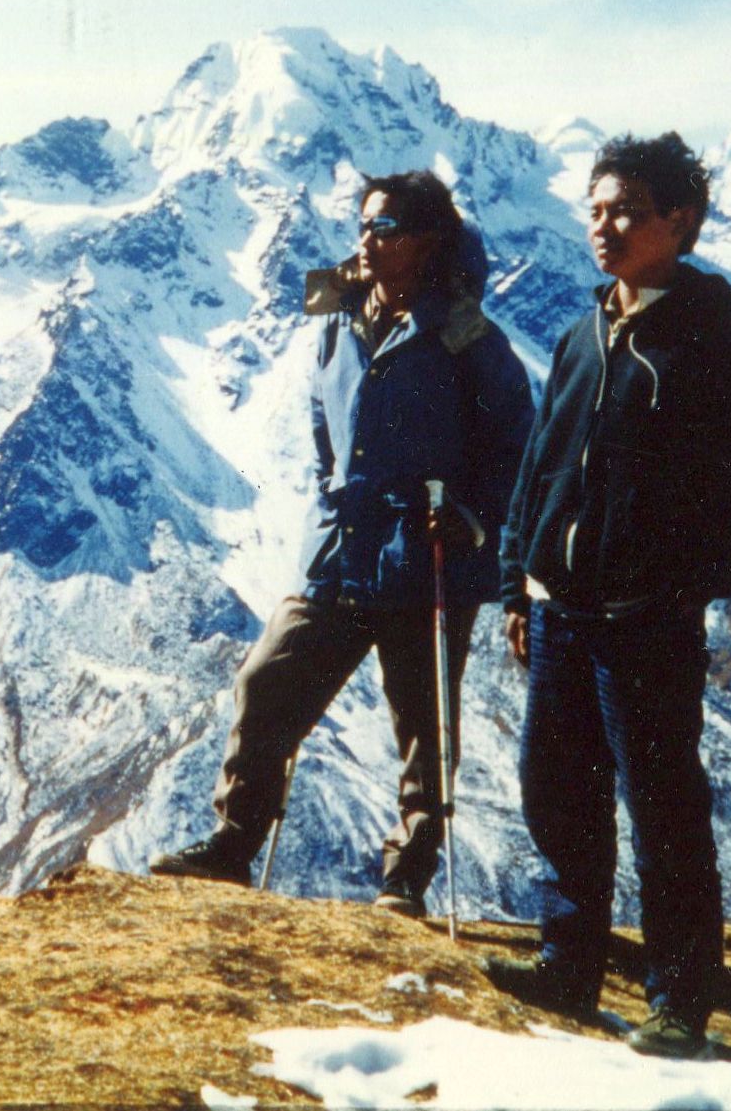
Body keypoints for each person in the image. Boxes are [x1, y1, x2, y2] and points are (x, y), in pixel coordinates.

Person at [150, 171, 533, 918]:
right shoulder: (337, 318)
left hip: (426, 557)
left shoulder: (462, 334)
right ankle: (232, 840)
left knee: (424, 726)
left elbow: (517, 445)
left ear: (426, 241)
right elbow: (328, 429)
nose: (366, 238)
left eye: (385, 227)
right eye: (364, 224)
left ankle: (406, 877)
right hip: (342, 548)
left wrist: (472, 518)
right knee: (266, 683)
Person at [484, 133, 731, 1060]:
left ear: (678, 223)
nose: (603, 227)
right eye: (596, 208)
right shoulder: (584, 333)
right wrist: (517, 585)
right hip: (562, 609)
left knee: (661, 809)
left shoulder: (714, 346)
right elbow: (539, 469)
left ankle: (678, 1000)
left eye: (626, 212)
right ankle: (567, 963)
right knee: (555, 792)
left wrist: (676, 590)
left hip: (644, 625)